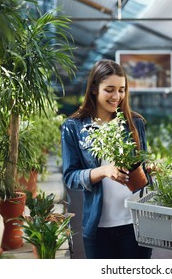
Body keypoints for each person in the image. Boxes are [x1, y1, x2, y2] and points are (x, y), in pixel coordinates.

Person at [61, 59, 152, 259]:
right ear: (94, 88)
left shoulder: (134, 123)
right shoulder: (73, 127)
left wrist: (151, 170)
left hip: (137, 223)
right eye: (109, 89)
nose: (117, 96)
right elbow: (70, 177)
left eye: (121, 90)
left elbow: (142, 169)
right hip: (98, 227)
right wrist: (103, 171)